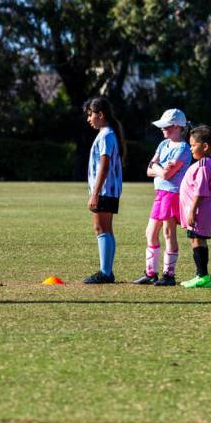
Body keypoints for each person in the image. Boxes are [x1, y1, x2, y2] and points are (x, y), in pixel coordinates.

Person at [134, 109, 192, 286]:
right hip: (160, 193)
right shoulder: (163, 144)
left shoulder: (183, 148)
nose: (162, 129)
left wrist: (157, 169)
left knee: (168, 233)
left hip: (172, 194)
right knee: (150, 232)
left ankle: (169, 275)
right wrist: (160, 168)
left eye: (166, 126)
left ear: (177, 126)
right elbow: (149, 169)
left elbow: (167, 174)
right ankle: (151, 273)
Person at [82, 97, 125, 284]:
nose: (89, 119)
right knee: (106, 228)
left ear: (101, 115)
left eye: (90, 115)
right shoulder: (106, 133)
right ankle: (107, 271)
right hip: (109, 190)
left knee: (100, 228)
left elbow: (104, 166)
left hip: (105, 190)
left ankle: (105, 272)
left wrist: (95, 193)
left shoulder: (106, 134)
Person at [178, 125, 211, 288]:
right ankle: (200, 275)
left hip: (199, 210)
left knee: (198, 240)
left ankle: (203, 276)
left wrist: (192, 210)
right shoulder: (206, 162)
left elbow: (201, 190)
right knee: (196, 240)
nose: (190, 148)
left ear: (205, 146)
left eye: (193, 145)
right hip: (198, 210)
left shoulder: (203, 164)